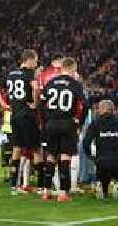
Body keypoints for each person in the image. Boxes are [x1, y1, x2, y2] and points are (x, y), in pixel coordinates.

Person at [0, 49, 43, 195]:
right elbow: (36, 88)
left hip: (14, 115)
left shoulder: (11, 74)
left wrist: (3, 104)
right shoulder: (30, 74)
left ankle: (14, 186)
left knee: (16, 149)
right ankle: (40, 187)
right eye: (36, 60)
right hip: (28, 115)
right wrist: (35, 103)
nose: (36, 64)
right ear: (30, 60)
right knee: (36, 149)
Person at [40, 57, 87, 202]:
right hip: (67, 123)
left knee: (51, 156)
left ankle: (46, 191)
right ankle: (63, 193)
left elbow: (42, 104)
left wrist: (47, 120)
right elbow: (85, 105)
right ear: (73, 68)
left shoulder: (51, 82)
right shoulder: (75, 84)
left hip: (51, 123)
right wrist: (78, 121)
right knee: (65, 156)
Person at [83, 100, 118, 199]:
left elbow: (85, 143)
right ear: (113, 110)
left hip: (101, 162)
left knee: (102, 178)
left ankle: (102, 189)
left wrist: (92, 157)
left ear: (101, 110)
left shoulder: (95, 123)